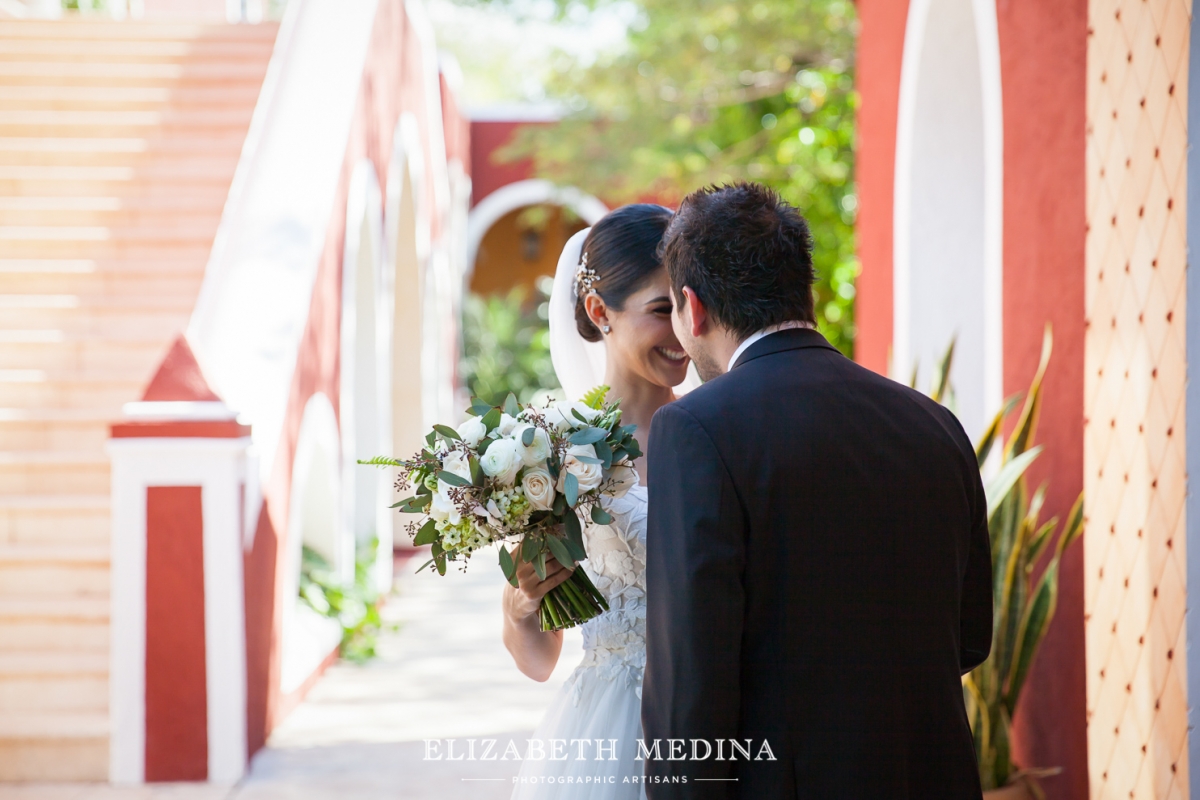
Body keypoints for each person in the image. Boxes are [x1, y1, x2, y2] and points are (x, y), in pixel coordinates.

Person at [641, 183, 992, 798]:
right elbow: (971, 637)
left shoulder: (696, 429)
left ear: (692, 309)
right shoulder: (934, 422)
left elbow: (691, 689)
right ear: (804, 291)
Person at [503, 204, 694, 800]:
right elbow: (538, 661)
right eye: (662, 310)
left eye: (689, 307)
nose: (683, 330)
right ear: (597, 312)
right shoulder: (550, 450)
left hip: (721, 717)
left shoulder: (720, 429)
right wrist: (521, 605)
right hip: (611, 733)